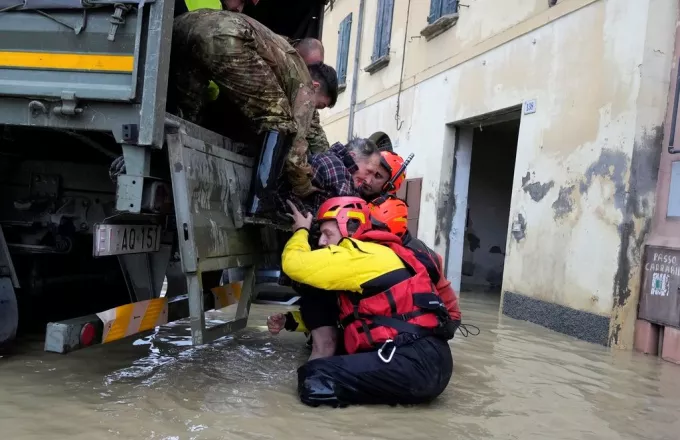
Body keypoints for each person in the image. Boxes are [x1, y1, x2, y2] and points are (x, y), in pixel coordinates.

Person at [281, 196, 457, 407]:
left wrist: (301, 230)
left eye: (328, 234)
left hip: (415, 364)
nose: (321, 242)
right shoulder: (378, 254)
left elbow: (294, 265)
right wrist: (292, 321)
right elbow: (357, 317)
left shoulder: (360, 255)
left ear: (351, 229)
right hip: (427, 362)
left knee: (316, 376)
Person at [170, 9, 338, 220]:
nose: (315, 111)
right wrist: (304, 187)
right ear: (315, 86)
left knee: (189, 113)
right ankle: (261, 205)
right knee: (279, 121)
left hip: (180, 28)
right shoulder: (304, 84)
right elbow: (296, 149)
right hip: (226, 38)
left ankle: (170, 167)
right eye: (319, 106)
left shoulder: (278, 47)